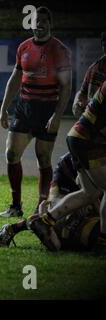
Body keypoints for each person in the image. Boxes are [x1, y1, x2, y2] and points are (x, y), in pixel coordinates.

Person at [0, 6, 72, 218]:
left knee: (43, 158)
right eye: (35, 21)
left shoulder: (59, 50)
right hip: (24, 107)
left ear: (49, 24)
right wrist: (4, 108)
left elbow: (66, 87)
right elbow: (15, 79)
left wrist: (57, 116)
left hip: (47, 108)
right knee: (11, 154)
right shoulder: (23, 47)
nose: (38, 25)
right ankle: (15, 206)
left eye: (43, 21)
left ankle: (41, 208)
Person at [29, 80, 106, 255]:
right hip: (90, 141)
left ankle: (45, 221)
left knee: (90, 192)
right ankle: (102, 244)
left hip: (80, 137)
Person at [0, 152, 101, 250]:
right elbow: (92, 191)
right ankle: (13, 228)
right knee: (55, 230)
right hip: (68, 175)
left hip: (87, 175)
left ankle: (46, 220)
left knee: (66, 235)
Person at [72, 32, 106, 118]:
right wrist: (77, 103)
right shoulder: (94, 68)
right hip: (95, 122)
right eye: (104, 44)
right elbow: (82, 92)